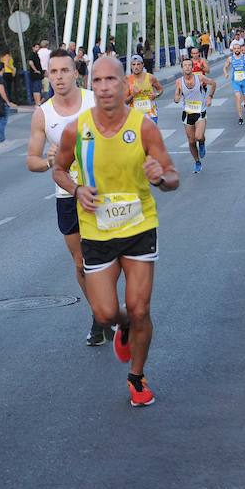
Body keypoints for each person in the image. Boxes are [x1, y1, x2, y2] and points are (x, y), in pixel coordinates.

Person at [53, 56, 179, 407]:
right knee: (107, 313)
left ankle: (137, 377)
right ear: (90, 86)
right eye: (98, 80)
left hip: (139, 226)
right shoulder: (76, 129)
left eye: (111, 79)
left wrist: (160, 178)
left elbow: (172, 176)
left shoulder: (143, 127)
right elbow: (58, 170)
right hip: (96, 231)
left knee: (140, 308)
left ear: (125, 85)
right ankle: (122, 327)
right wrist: (76, 189)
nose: (105, 86)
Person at [26, 49, 108, 346]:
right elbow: (31, 161)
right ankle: (99, 314)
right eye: (53, 72)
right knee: (81, 263)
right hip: (66, 195)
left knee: (106, 259)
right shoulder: (43, 114)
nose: (59, 77)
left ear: (76, 73)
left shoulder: (94, 101)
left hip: (102, 191)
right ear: (47, 75)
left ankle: (107, 308)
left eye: (64, 71)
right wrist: (49, 161)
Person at [174, 57, 216, 172]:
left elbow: (213, 84)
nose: (187, 67)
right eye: (185, 65)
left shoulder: (200, 78)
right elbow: (176, 96)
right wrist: (177, 98)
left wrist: (210, 96)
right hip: (187, 113)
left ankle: (202, 142)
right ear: (182, 68)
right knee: (191, 141)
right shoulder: (179, 81)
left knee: (198, 137)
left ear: (192, 67)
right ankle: (197, 162)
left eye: (189, 65)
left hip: (200, 112)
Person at [125, 55, 163, 125]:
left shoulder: (150, 77)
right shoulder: (128, 80)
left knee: (150, 135)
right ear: (131, 66)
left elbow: (160, 89)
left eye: (138, 64)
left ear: (142, 65)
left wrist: (156, 95)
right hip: (135, 114)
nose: (136, 67)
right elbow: (124, 102)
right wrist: (133, 95)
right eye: (133, 64)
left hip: (150, 113)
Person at [224, 42, 245, 124]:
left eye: (238, 48)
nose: (236, 50)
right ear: (233, 50)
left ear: (240, 49)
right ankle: (240, 117)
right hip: (235, 82)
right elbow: (225, 67)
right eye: (235, 48)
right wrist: (225, 73)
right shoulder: (230, 59)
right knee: (238, 98)